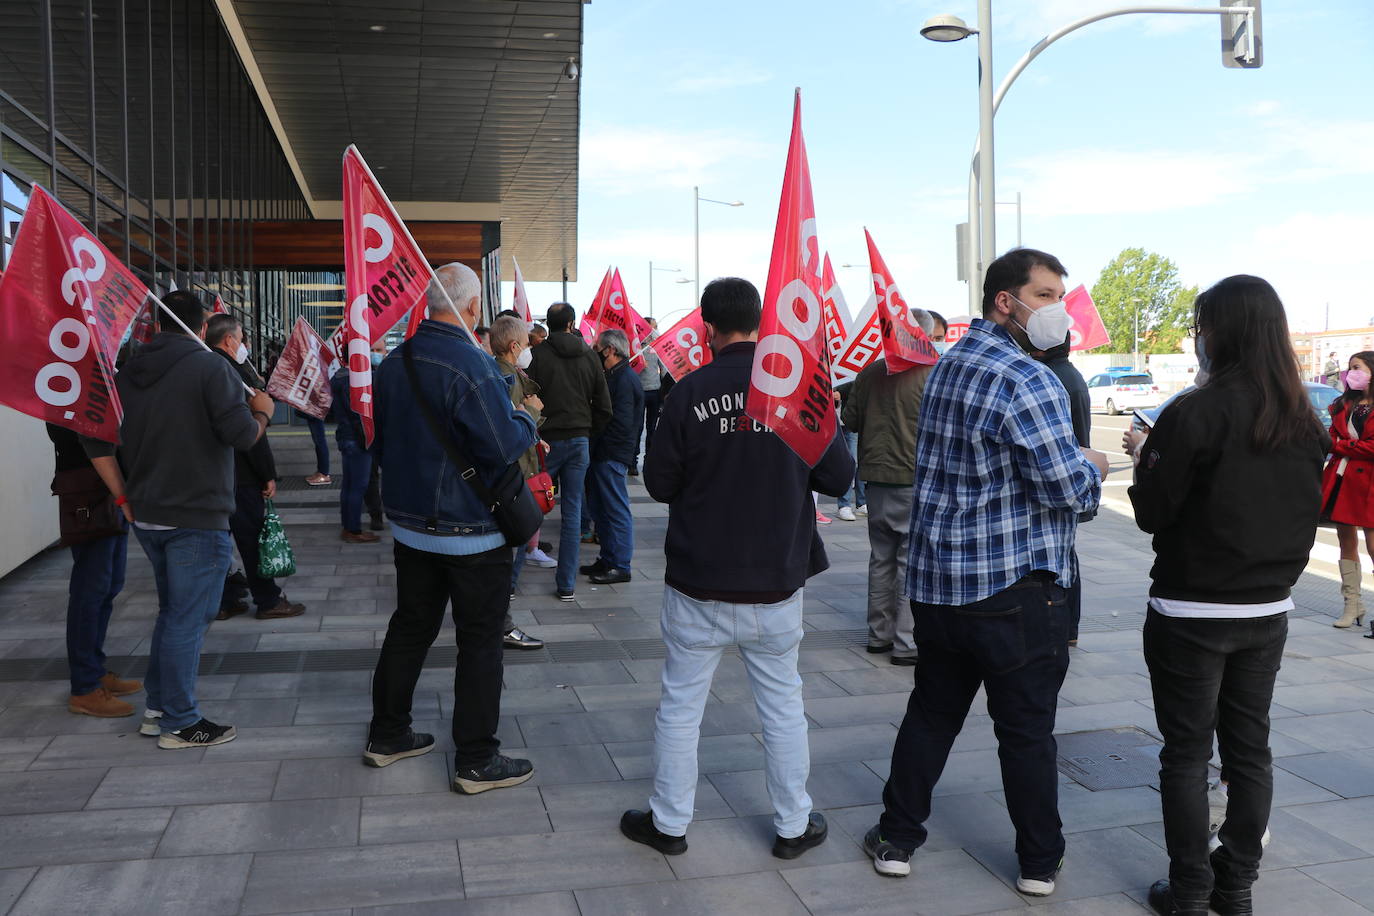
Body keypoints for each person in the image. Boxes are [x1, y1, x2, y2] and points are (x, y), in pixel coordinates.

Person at [864, 249, 1108, 894]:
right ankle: (1037, 863)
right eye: (1047, 294)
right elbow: (1069, 492)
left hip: (943, 586)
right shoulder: (1030, 381)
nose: (1059, 308)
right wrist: (1095, 467)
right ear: (1007, 299)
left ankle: (896, 838)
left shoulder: (948, 366)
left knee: (931, 716)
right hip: (1015, 593)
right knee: (1026, 733)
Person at [621, 277, 855, 859]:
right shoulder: (797, 390)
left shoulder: (688, 391)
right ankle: (792, 825)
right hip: (775, 582)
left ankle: (670, 823)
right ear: (763, 323)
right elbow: (839, 477)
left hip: (699, 579)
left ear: (706, 328)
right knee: (782, 706)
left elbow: (659, 482)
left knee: (680, 707)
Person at [1122, 275, 1325, 916]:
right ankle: (1234, 887)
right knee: (1249, 749)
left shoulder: (1197, 409)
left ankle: (1189, 892)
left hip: (1192, 610)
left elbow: (1153, 512)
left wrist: (1150, 455)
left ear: (1222, 330)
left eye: (1202, 324)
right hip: (1268, 609)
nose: (1199, 337)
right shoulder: (1302, 416)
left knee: (1186, 752)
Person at [363, 263, 539, 794]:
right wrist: (528, 416)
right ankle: (477, 759)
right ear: (470, 308)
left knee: (410, 627)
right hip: (472, 530)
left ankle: (387, 734)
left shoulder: (394, 363)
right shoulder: (474, 364)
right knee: (480, 641)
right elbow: (501, 445)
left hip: (412, 527)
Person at [85, 289, 274, 748]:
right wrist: (263, 412)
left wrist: (125, 498)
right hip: (196, 513)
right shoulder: (210, 367)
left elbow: (95, 440)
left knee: (175, 614)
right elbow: (241, 435)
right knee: (187, 618)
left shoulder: (128, 372)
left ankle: (158, 709)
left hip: (149, 513)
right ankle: (180, 720)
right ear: (203, 328)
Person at [842, 308, 937, 666]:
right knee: (909, 561)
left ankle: (878, 636)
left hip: (876, 480)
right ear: (924, 337)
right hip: (915, 480)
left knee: (880, 559)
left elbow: (849, 420)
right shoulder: (932, 375)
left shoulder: (869, 374)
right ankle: (905, 643)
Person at [206, 315, 305, 621]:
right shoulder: (233, 374)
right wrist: (267, 473)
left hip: (211, 473)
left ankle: (223, 600)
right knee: (250, 539)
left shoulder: (204, 369)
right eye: (242, 338)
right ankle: (268, 599)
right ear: (229, 341)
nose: (245, 345)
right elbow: (251, 432)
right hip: (241, 474)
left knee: (217, 542)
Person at [47, 423, 140, 717]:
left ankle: (95, 670)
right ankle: (85, 687)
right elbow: (77, 435)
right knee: (91, 589)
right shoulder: (71, 385)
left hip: (107, 486)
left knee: (109, 584)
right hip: (90, 489)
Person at [526, 301, 613, 601]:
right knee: (573, 512)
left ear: (548, 324)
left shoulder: (536, 355)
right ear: (571, 323)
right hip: (579, 441)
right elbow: (604, 406)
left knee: (530, 505)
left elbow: (524, 399)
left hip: (545, 442)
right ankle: (566, 585)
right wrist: (588, 430)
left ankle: (510, 584)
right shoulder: (590, 357)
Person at [490, 315, 550, 650]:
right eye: (526, 345)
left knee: (515, 543)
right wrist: (534, 414)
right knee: (517, 540)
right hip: (514, 475)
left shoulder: (497, 372)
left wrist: (535, 437)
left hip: (511, 471)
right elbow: (511, 429)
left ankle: (500, 611)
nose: (528, 350)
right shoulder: (507, 376)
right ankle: (502, 616)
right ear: (514, 346)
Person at [1033, 332, 1094, 646]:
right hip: (1075, 473)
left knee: (1061, 559)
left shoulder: (1051, 377)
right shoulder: (1070, 374)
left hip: (1063, 477)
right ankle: (1069, 629)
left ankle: (1065, 628)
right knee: (1067, 556)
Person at [581, 329, 644, 585]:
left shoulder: (625, 379)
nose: (596, 351)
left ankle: (620, 564)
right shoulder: (615, 376)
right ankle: (608, 558)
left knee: (615, 509)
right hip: (604, 452)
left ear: (610, 350)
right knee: (602, 509)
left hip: (611, 453)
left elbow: (621, 423)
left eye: (598, 347)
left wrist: (606, 449)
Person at [1323, 351, 1374, 629]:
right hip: (1342, 480)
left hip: (1370, 483)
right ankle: (1352, 604)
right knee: (1346, 541)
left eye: (1357, 367)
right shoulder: (1341, 404)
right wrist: (1344, 446)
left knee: (1373, 543)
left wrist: (1343, 446)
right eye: (1349, 367)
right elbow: (1329, 438)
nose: (1350, 372)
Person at [330, 355, 380, 544]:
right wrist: (367, 437)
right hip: (357, 439)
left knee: (349, 485)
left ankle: (348, 525)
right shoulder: (353, 380)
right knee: (357, 486)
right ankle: (353, 529)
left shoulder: (339, 377)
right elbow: (357, 413)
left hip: (346, 437)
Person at [634, 317, 664, 477]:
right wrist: (638, 365)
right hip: (640, 392)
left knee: (652, 428)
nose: (654, 331)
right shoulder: (636, 347)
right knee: (637, 427)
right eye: (652, 328)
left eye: (656, 328)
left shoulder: (657, 347)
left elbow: (664, 370)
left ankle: (649, 460)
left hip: (655, 391)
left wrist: (664, 393)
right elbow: (631, 369)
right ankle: (633, 461)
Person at [364, 340, 388, 532]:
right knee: (370, 477)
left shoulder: (392, 371)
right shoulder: (359, 376)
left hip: (389, 433)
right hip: (368, 433)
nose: (375, 354)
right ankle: (376, 514)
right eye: (372, 350)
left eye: (378, 350)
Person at [302, 411, 332, 487]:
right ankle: (321, 472)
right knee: (318, 441)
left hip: (316, 408)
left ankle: (324, 473)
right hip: (314, 408)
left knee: (320, 440)